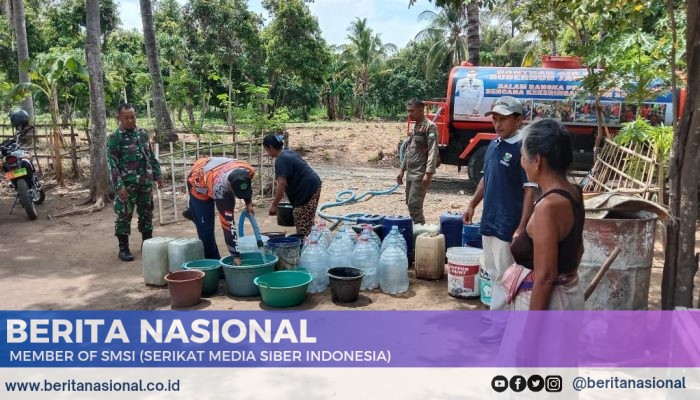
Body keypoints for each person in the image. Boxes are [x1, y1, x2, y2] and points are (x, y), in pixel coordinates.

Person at [462, 96, 536, 343]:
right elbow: (486, 178)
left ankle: (502, 325)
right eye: (494, 119)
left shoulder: (523, 149)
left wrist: (522, 226)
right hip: (489, 221)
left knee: (507, 275)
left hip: (508, 225)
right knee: (494, 271)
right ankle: (499, 319)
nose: (497, 124)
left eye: (503, 119)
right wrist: (472, 203)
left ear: (518, 119)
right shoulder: (494, 146)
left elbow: (529, 189)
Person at [505, 118, 585, 310]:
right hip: (568, 295)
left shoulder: (547, 207)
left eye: (523, 156)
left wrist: (530, 331)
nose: (522, 161)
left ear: (538, 161)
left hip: (547, 304)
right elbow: (579, 249)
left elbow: (546, 277)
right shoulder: (574, 192)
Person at [107, 103, 163, 262]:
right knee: (124, 215)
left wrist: (157, 175)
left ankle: (147, 244)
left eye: (133, 116)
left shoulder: (142, 133)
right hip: (127, 185)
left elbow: (150, 156)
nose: (131, 120)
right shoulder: (114, 138)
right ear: (119, 118)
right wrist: (119, 186)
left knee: (146, 213)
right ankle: (123, 249)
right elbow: (113, 165)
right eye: (127, 117)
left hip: (145, 182)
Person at [185, 157, 255, 260]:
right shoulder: (221, 190)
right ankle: (214, 263)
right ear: (230, 186)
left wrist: (248, 203)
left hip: (210, 169)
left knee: (202, 219)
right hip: (198, 183)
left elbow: (244, 185)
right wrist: (235, 256)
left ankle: (194, 213)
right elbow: (228, 226)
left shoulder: (248, 170)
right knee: (206, 231)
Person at [263, 134, 322, 236]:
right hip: (313, 186)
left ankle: (306, 246)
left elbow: (281, 184)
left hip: (307, 190)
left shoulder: (281, 159)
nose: (266, 153)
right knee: (305, 219)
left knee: (302, 221)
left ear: (271, 147)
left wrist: (274, 206)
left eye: (266, 149)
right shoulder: (287, 152)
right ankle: (310, 239)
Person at [397, 99, 439, 225]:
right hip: (411, 171)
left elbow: (433, 151)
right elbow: (409, 149)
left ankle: (422, 234)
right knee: (409, 203)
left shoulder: (430, 126)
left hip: (420, 173)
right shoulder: (416, 125)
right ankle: (419, 232)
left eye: (412, 111)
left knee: (415, 206)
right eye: (408, 111)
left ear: (421, 110)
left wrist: (429, 173)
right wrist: (402, 170)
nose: (409, 114)